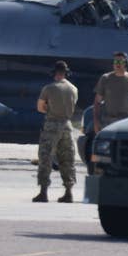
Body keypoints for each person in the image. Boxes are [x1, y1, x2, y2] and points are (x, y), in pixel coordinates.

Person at [35, 60, 78, 202]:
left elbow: (40, 107)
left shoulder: (49, 88)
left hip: (52, 125)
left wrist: (50, 109)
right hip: (67, 125)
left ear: (55, 73)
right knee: (67, 159)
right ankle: (68, 192)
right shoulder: (73, 89)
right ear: (66, 73)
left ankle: (43, 192)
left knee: (46, 157)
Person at [93, 51, 128, 136]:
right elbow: (97, 102)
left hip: (127, 122)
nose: (117, 64)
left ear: (126, 63)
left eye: (120, 61)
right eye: (115, 61)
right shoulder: (105, 78)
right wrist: (96, 122)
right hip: (108, 122)